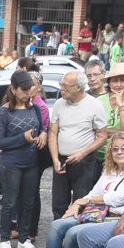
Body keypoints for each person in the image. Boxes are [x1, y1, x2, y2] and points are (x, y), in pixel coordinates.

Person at [0, 70, 48, 248]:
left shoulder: (35, 109)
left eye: (29, 89)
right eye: (23, 89)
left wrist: (43, 135)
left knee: (28, 202)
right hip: (11, 164)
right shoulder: (4, 112)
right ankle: (5, 239)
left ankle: (24, 239)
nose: (27, 93)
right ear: (14, 89)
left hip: (31, 162)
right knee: (9, 202)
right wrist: (23, 138)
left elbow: (42, 129)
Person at [49, 69, 109, 223]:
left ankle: (75, 239)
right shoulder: (59, 104)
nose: (61, 89)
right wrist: (55, 158)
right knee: (58, 203)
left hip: (84, 161)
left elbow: (102, 137)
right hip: (62, 160)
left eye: (65, 86)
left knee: (81, 202)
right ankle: (57, 236)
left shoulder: (95, 105)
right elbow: (53, 133)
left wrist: (82, 153)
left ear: (78, 87)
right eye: (61, 85)